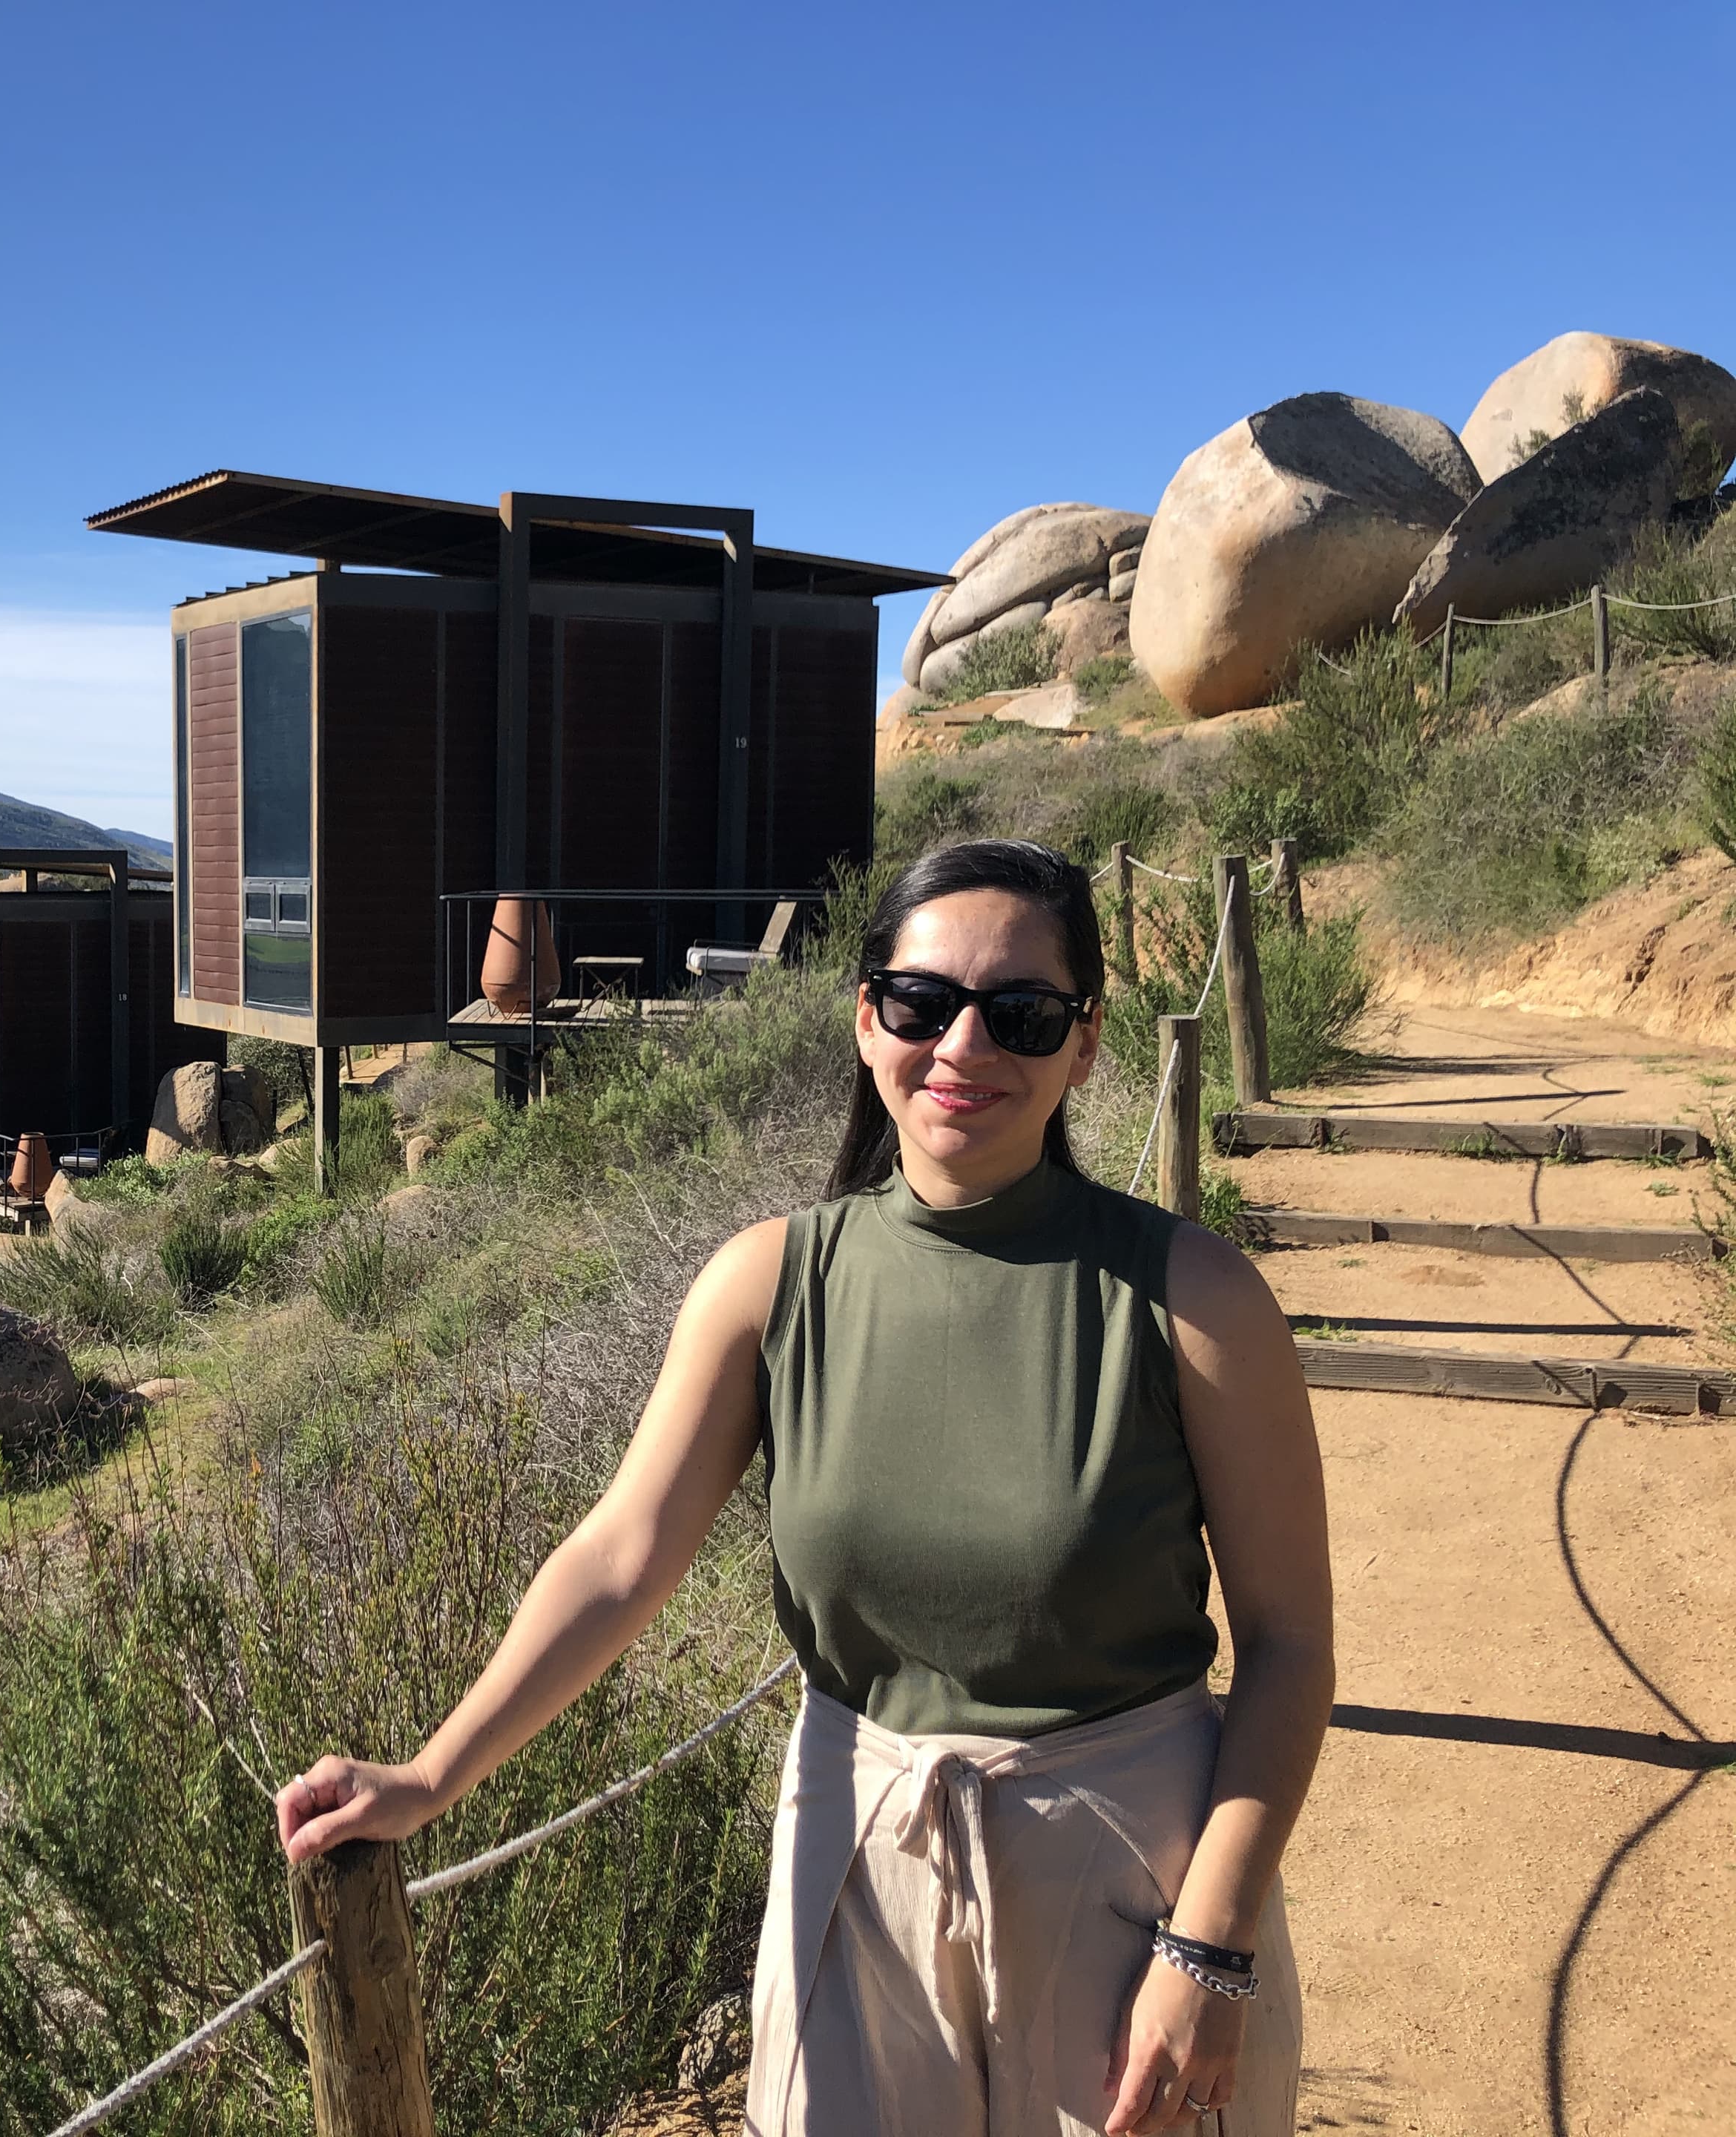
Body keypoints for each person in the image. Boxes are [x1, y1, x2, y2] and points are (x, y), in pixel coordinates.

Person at [276, 838, 1332, 2136]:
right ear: (865, 1015)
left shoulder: (1197, 1299)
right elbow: (622, 1557)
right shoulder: (771, 1285)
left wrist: (1210, 1947)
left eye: (1022, 1013)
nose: (964, 1046)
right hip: (860, 1872)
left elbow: (1289, 1648)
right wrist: (430, 1776)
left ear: (1086, 1041)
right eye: (920, 1002)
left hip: (1136, 1885)